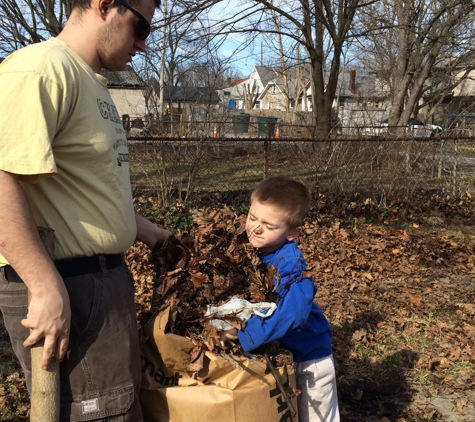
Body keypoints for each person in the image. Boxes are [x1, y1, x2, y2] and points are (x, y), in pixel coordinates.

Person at [0, 0, 167, 420]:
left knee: (121, 408)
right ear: (105, 5)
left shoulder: (90, 81)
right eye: (140, 26)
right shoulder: (41, 68)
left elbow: (83, 192)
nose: (143, 44)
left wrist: (149, 232)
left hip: (98, 281)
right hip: (66, 284)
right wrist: (44, 286)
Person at [219, 176, 340, 422]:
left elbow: (292, 314)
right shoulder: (252, 249)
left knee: (315, 416)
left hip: (309, 358)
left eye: (269, 226)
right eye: (252, 218)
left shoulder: (291, 267)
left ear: (293, 233)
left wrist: (239, 332)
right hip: (281, 355)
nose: (255, 228)